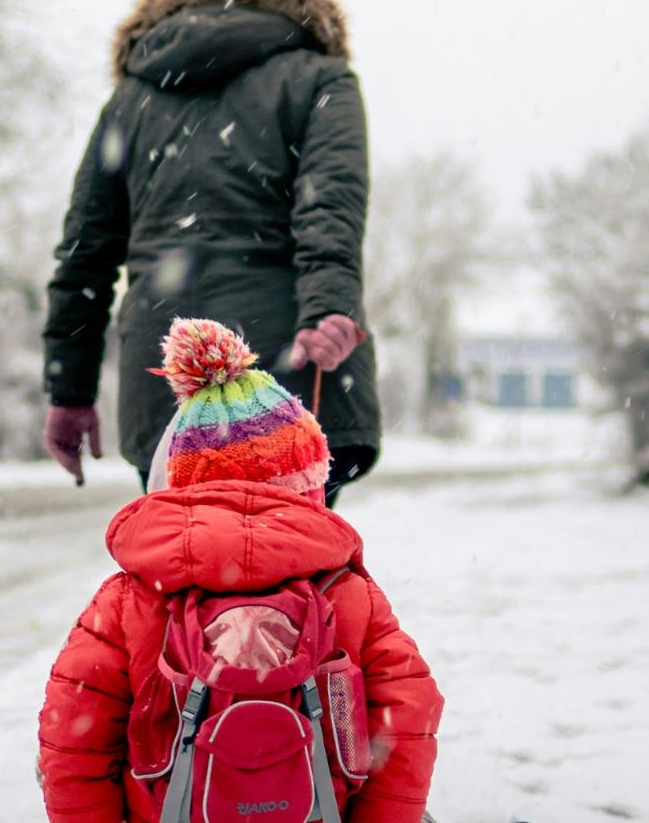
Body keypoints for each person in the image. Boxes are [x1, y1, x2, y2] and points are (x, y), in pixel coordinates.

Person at [37, 318, 440, 823]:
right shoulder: (348, 593)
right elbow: (408, 714)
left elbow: (73, 736)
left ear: (178, 482)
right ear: (309, 485)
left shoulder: (131, 597)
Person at [41, 0, 381, 506]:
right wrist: (328, 309)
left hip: (168, 372)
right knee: (292, 568)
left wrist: (69, 390)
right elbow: (331, 210)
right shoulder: (321, 79)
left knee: (182, 567)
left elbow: (86, 254)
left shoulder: (132, 99)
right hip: (286, 369)